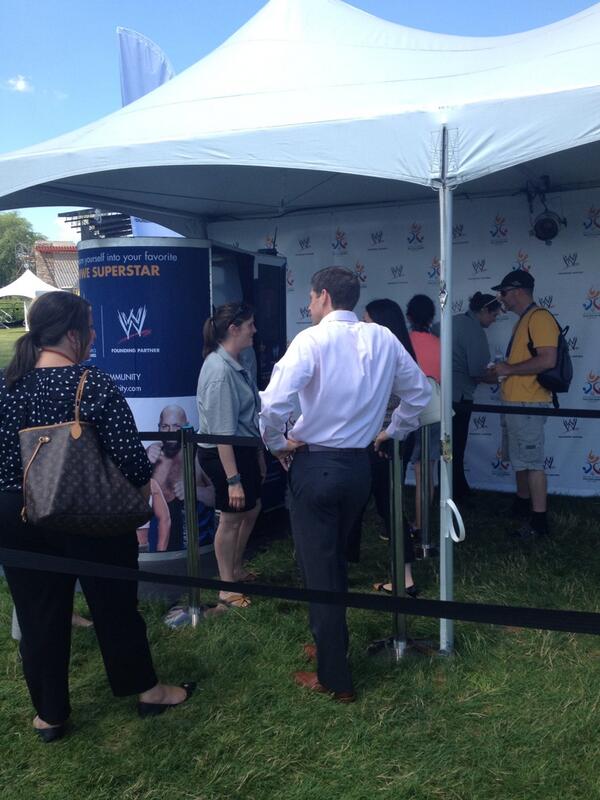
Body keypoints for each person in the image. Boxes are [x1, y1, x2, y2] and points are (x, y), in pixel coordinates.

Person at [0, 292, 194, 743]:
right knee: (115, 608)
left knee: (37, 616)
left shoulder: (9, 386)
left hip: (16, 514)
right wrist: (145, 486)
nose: (92, 337)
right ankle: (147, 691)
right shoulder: (94, 383)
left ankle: (51, 716)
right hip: (89, 514)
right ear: (72, 334)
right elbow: (131, 459)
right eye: (88, 328)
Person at [259, 267, 431, 702]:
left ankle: (334, 676)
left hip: (316, 467)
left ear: (323, 298)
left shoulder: (310, 339)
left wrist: (279, 443)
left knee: (321, 568)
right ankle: (328, 641)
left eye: (312, 298)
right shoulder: (384, 338)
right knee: (331, 561)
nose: (309, 305)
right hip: (358, 469)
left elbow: (273, 403)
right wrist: (392, 430)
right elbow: (419, 395)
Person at [196, 302, 266, 609]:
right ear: (234, 329)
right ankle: (226, 587)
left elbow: (246, 419)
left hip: (242, 449)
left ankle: (235, 571)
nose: (254, 330)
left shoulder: (236, 362)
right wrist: (233, 479)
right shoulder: (219, 371)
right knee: (232, 517)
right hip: (226, 454)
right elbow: (222, 433)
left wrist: (258, 455)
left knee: (250, 510)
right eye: (250, 324)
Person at [348, 298, 420, 597]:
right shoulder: (397, 352)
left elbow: (413, 398)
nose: (362, 327)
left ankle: (404, 578)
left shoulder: (384, 357)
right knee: (387, 505)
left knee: (388, 506)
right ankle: (402, 575)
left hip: (384, 441)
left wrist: (386, 433)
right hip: (388, 438)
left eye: (366, 320)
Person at [490, 270, 558, 538]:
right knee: (520, 459)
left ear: (517, 291)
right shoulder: (525, 319)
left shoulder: (539, 318)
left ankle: (539, 522)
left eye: (503, 293)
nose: (501, 299)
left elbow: (547, 360)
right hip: (515, 401)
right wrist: (505, 370)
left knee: (532, 462)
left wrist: (509, 368)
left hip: (528, 402)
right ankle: (521, 505)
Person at [451, 292, 501, 500]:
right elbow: (478, 372)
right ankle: (458, 491)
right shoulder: (475, 332)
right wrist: (504, 376)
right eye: (494, 315)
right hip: (460, 397)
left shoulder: (451, 321)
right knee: (456, 446)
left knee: (445, 446)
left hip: (440, 393)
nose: (494, 320)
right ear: (483, 311)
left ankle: (449, 489)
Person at [146, 404, 215, 552]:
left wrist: (193, 490)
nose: (170, 431)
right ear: (158, 427)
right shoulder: (152, 453)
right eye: (165, 426)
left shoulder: (198, 454)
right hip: (157, 544)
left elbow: (218, 495)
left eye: (176, 425)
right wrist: (145, 461)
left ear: (186, 426)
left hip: (195, 543)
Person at [406, 294, 441, 538]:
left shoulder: (403, 343)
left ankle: (418, 526)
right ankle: (422, 523)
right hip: (434, 411)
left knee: (410, 472)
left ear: (408, 316)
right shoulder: (439, 343)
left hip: (407, 411)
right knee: (426, 471)